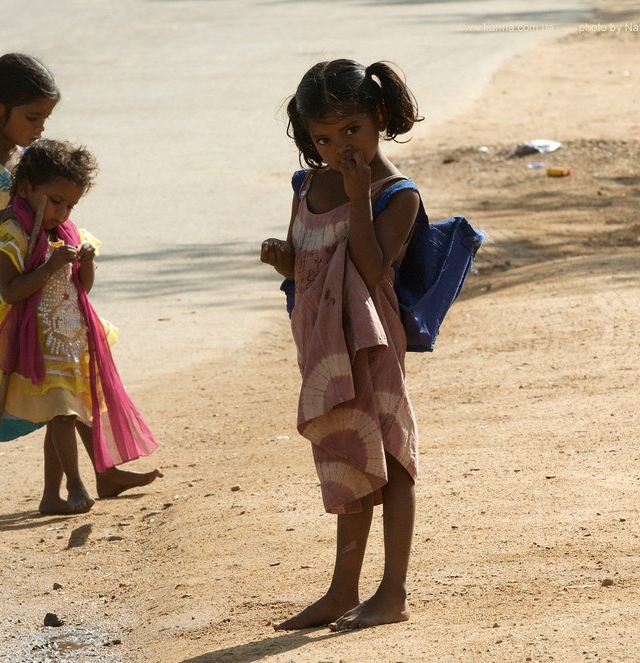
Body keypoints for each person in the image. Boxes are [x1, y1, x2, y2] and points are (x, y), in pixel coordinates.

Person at [0, 53, 161, 513]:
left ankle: (102, 470)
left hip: (39, 291)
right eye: (32, 116)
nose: (40, 126)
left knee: (65, 379)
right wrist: (0, 217)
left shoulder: (29, 160)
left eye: (46, 117)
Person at [260, 59, 423, 632]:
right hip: (321, 350)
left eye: (351, 130)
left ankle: (392, 591)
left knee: (393, 462)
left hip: (372, 345)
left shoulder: (395, 194)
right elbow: (306, 261)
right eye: (323, 137)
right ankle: (341, 589)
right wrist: (282, 257)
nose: (338, 147)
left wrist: (358, 198)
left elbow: (373, 266)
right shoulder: (307, 185)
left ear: (378, 117)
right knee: (343, 459)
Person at [0, 138, 159, 514]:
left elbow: (80, 289)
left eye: (70, 205)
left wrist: (84, 263)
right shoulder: (13, 235)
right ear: (25, 190)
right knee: (63, 415)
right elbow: (10, 291)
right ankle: (77, 485)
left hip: (71, 340)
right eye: (54, 201)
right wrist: (50, 267)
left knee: (69, 414)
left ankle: (53, 495)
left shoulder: (66, 234)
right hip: (37, 344)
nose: (62, 212)